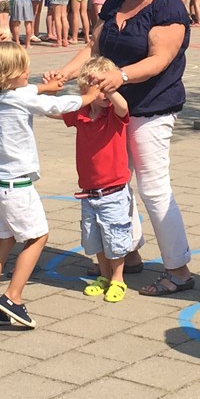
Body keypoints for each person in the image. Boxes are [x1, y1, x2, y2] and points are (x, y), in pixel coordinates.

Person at [50, 0, 196, 298]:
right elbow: (93, 48)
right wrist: (63, 75)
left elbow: (159, 60)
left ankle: (178, 270)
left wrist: (122, 76)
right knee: (114, 183)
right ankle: (126, 254)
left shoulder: (168, 7)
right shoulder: (118, 0)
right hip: (110, 112)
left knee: (153, 188)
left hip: (150, 109)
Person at [0, 41, 93, 328]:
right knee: (37, 237)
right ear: (8, 75)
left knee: (3, 241)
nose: (29, 71)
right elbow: (55, 106)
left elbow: (31, 91)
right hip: (16, 186)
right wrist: (89, 97)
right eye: (23, 69)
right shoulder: (19, 98)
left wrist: (47, 86)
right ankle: (13, 297)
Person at [63, 57, 135, 303]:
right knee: (94, 239)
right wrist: (48, 92)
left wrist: (109, 88)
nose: (105, 94)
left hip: (113, 192)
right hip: (89, 192)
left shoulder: (114, 114)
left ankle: (118, 278)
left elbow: (123, 106)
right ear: (86, 91)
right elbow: (57, 111)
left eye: (109, 87)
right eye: (99, 88)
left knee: (115, 238)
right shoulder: (81, 114)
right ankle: (104, 275)